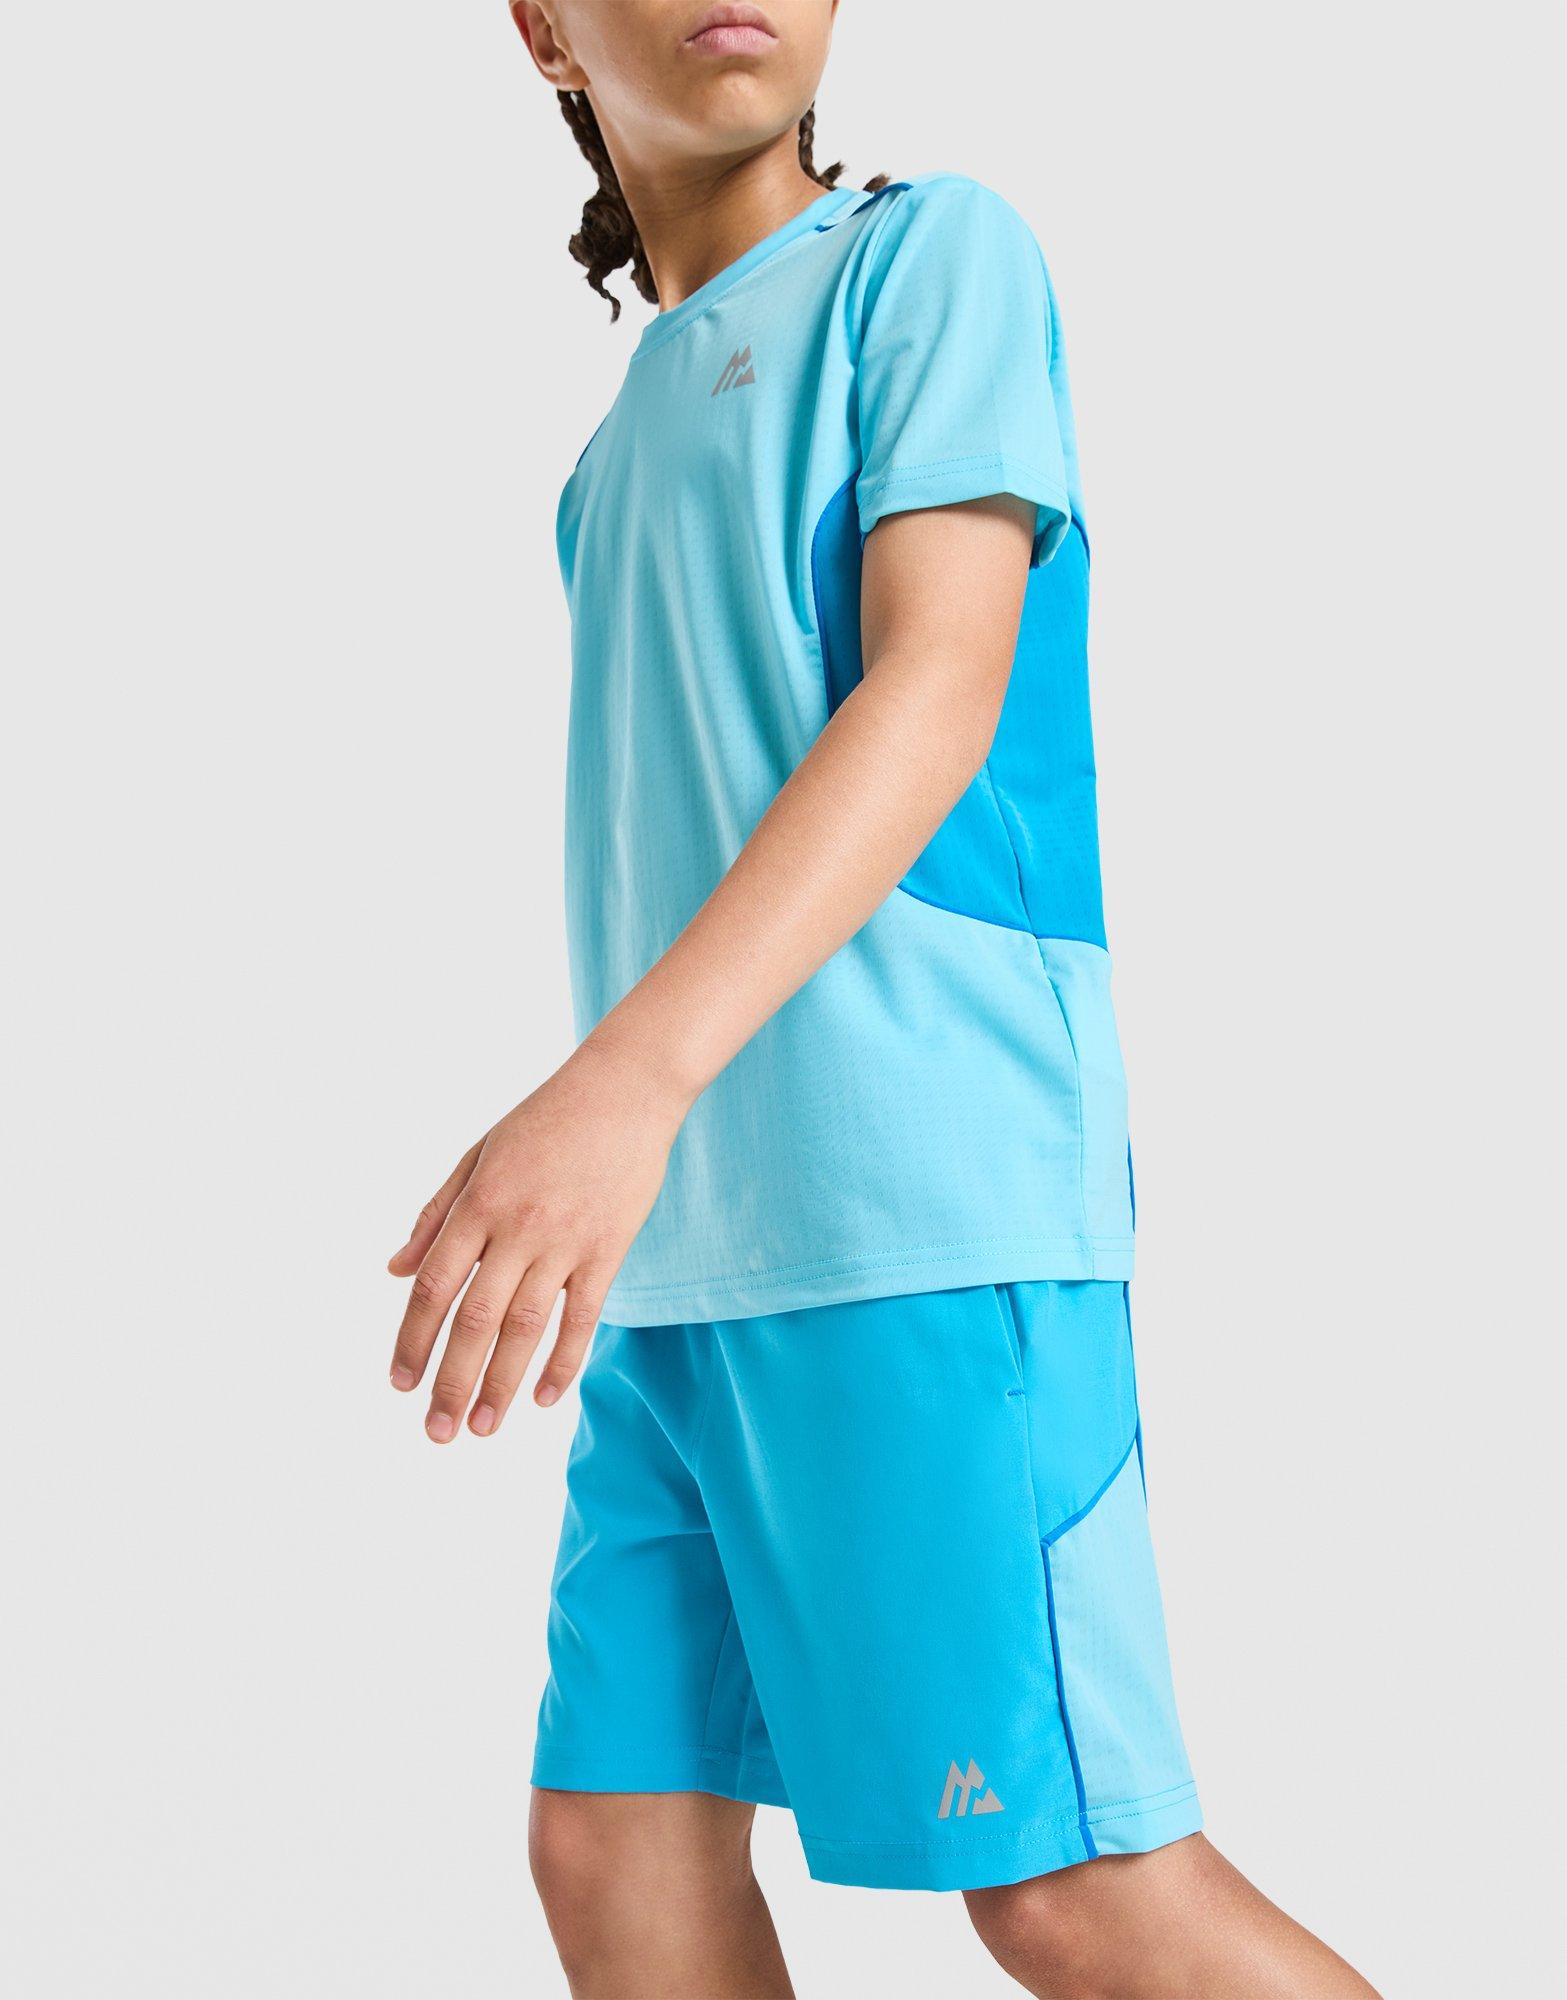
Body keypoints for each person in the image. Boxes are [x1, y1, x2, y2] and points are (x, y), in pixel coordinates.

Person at [387, 4, 1380, 1993]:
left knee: (1074, 1883)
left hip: (918, 1214)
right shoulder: (610, 453)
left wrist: (616, 1089)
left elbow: (939, 686)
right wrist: (632, 1134)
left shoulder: (931, 257)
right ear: (542, 29)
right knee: (615, 1848)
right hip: (688, 1265)